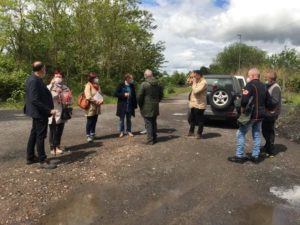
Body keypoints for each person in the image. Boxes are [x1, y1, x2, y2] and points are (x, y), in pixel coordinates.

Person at [228, 68, 268, 164]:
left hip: (251, 114)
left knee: (240, 133)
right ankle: (255, 156)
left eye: (249, 75)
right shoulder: (264, 86)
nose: (248, 77)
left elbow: (244, 100)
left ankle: (239, 156)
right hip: (261, 114)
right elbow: (268, 101)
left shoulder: (250, 85)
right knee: (257, 134)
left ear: (253, 75)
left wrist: (242, 109)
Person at [24, 61, 57, 169]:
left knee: (34, 133)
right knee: (40, 135)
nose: (45, 69)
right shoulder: (34, 80)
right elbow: (34, 99)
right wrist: (49, 110)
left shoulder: (34, 78)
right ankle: (42, 160)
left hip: (37, 112)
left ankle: (30, 157)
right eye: (44, 67)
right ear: (41, 69)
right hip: (39, 113)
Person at [47, 70, 72, 155]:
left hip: (63, 112)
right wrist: (56, 92)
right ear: (53, 77)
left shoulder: (65, 87)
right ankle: (52, 148)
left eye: (60, 76)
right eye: (56, 76)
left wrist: (68, 100)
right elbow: (47, 96)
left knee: (60, 130)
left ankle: (57, 146)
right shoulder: (49, 87)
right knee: (53, 130)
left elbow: (70, 98)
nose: (58, 78)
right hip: (54, 111)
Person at [138, 69, 163, 145]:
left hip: (146, 106)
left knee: (148, 123)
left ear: (145, 75)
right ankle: (154, 138)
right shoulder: (158, 84)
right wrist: (157, 101)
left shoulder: (144, 84)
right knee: (153, 122)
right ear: (152, 75)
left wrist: (140, 104)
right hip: (155, 106)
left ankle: (150, 140)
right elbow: (161, 94)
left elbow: (140, 96)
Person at [261, 70, 281, 158]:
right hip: (268, 112)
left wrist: (264, 100)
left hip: (272, 113)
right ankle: (267, 146)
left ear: (271, 79)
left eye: (266, 77)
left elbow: (274, 101)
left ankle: (270, 151)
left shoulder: (275, 87)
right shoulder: (269, 86)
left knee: (269, 131)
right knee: (265, 129)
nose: (265, 78)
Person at [187, 70, 208, 139]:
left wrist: (194, 83)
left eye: (195, 75)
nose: (194, 77)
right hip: (193, 103)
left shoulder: (203, 82)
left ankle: (199, 134)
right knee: (192, 119)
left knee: (200, 120)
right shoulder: (196, 80)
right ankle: (191, 132)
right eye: (193, 76)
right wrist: (190, 77)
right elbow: (187, 82)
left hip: (200, 104)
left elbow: (196, 91)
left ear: (199, 75)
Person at [84, 72, 103, 142]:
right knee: (90, 121)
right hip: (91, 106)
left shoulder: (97, 85)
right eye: (95, 78)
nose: (96, 79)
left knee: (95, 120)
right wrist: (96, 101)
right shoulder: (88, 85)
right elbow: (88, 96)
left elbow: (100, 94)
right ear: (91, 78)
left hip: (97, 106)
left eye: (96, 77)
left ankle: (93, 134)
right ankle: (88, 135)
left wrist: (101, 100)